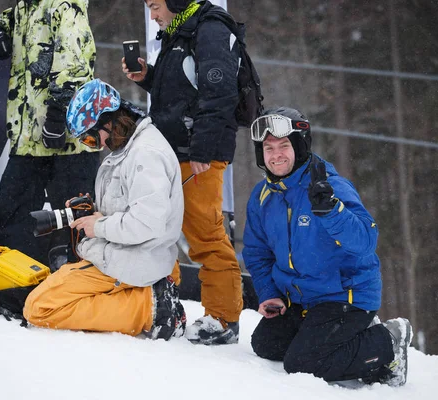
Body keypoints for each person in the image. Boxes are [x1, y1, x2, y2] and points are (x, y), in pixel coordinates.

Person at [242, 107, 413, 387]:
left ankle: (389, 341)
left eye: (284, 145)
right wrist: (269, 293)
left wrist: (332, 211)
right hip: (303, 298)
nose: (276, 155)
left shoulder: (329, 187)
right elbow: (257, 252)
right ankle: (337, 337)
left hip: (344, 295)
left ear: (299, 146)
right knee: (266, 344)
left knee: (302, 364)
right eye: (268, 148)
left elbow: (366, 242)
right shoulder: (262, 196)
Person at [23, 79, 186, 340]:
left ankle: (151, 309)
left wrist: (97, 226)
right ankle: (149, 294)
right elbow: (133, 204)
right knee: (45, 297)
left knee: (39, 307)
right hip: (125, 252)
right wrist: (92, 209)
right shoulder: (130, 147)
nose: (95, 145)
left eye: (90, 135)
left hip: (135, 257)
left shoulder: (145, 154)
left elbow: (147, 223)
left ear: (108, 120)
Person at [122, 0, 243, 345]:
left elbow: (219, 93)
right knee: (160, 231)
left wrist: (204, 147)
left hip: (197, 154)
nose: (153, 15)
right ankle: (167, 307)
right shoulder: (178, 34)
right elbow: (183, 92)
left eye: (156, 5)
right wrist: (148, 78)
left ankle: (224, 319)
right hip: (172, 151)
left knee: (205, 236)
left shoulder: (211, 29)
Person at [0, 0, 99, 264]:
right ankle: (17, 287)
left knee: (78, 225)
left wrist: (57, 116)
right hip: (28, 141)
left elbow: (74, 63)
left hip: (69, 143)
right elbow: (4, 20)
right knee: (14, 217)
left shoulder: (64, 4)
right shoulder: (25, 7)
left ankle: (80, 293)